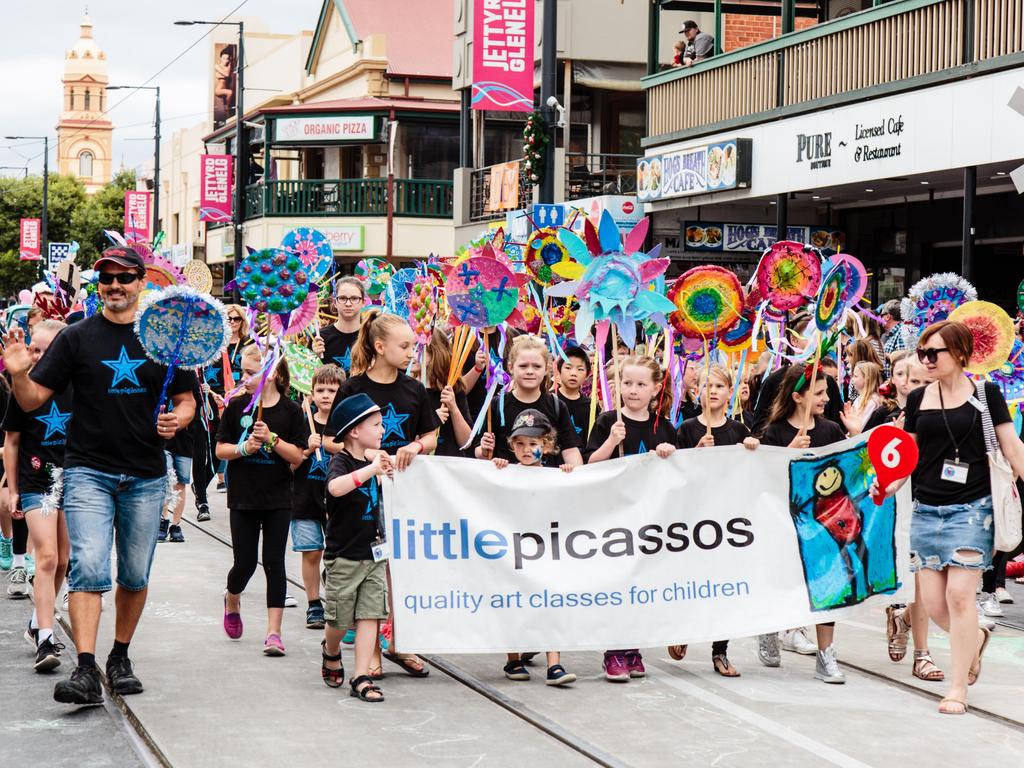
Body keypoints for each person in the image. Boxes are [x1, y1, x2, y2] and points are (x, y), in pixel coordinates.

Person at [3, 246, 197, 706]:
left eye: (124, 277)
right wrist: (17, 375)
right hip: (88, 472)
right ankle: (86, 668)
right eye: (106, 277)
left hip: (148, 474)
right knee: (88, 567)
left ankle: (120, 657)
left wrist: (179, 419)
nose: (115, 285)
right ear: (99, 284)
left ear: (140, 282)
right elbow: (32, 401)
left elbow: (187, 398)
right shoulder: (75, 338)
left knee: (133, 573)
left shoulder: (163, 337)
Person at [879, 320, 1024, 714]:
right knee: (933, 603)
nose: (925, 360)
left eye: (933, 353)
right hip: (926, 508)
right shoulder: (918, 400)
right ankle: (974, 638)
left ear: (959, 354)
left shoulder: (986, 394)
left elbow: (1011, 447)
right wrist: (885, 487)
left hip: (972, 510)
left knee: (959, 596)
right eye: (922, 352)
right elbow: (905, 456)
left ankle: (957, 687)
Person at [332, 309, 437, 677]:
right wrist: (368, 457)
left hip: (406, 491)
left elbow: (431, 434)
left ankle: (401, 643)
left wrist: (417, 448)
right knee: (370, 571)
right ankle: (371, 649)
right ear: (380, 346)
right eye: (404, 345)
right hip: (364, 496)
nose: (411, 352)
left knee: (401, 570)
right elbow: (333, 440)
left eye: (412, 345)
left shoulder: (414, 389)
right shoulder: (353, 388)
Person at [584, 356, 675, 681]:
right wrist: (611, 441)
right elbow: (590, 464)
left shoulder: (663, 426)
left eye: (640, 384)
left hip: (649, 519)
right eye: (627, 383)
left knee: (641, 584)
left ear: (655, 389)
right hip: (614, 516)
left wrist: (668, 454)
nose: (632, 390)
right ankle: (613, 651)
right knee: (617, 583)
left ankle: (632, 647)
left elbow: (677, 475)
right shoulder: (609, 419)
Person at [757, 364, 847, 683]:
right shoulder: (775, 432)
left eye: (826, 392)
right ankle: (768, 627)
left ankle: (826, 655)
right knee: (783, 582)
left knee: (829, 587)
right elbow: (764, 478)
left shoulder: (832, 430)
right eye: (819, 393)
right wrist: (788, 452)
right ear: (798, 397)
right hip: (785, 521)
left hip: (824, 522)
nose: (826, 398)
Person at [215, 345, 306, 656]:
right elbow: (220, 450)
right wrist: (244, 450)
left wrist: (272, 440)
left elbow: (297, 456)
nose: (243, 378)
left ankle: (273, 632)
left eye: (251, 373)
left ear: (271, 374)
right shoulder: (237, 406)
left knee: (274, 563)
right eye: (242, 372)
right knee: (244, 563)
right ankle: (232, 596)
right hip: (243, 497)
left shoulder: (292, 411)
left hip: (278, 496)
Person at [671, 364, 760, 677]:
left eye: (719, 387)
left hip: (727, 520)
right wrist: (695, 452)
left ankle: (720, 651)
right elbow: (674, 475)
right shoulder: (687, 429)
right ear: (699, 391)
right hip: (695, 518)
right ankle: (682, 627)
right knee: (692, 579)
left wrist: (750, 448)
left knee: (723, 585)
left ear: (729, 392)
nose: (712, 392)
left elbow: (752, 472)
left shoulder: (737, 431)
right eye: (707, 385)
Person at [2, 319, 70, 671]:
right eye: (35, 349)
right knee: (45, 557)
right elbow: (11, 442)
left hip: (72, 479)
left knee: (62, 561)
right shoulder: (23, 389)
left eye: (48, 350)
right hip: (35, 481)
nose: (40, 355)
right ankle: (46, 636)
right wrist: (12, 490)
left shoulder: (78, 385)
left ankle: (35, 621)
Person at [493, 408, 577, 686]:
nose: (526, 449)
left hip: (545, 552)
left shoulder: (554, 475)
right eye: (520, 444)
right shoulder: (505, 472)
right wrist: (493, 470)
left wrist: (567, 475)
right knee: (512, 603)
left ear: (547, 446)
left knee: (551, 602)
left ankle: (555, 664)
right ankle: (513, 659)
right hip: (513, 552)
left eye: (533, 444)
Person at [320, 393, 394, 702]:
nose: (382, 430)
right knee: (339, 620)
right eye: (375, 425)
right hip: (344, 556)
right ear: (354, 431)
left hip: (373, 552)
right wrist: (372, 470)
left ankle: (361, 675)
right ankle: (331, 648)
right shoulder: (342, 461)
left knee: (370, 615)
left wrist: (387, 472)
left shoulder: (375, 459)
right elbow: (335, 489)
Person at [477, 336, 583, 468]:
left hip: (545, 484)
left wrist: (579, 477)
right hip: (507, 483)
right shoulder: (497, 404)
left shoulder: (557, 405)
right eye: (523, 366)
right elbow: (479, 453)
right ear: (510, 367)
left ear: (546, 369)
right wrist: (483, 450)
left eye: (537, 366)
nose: (530, 371)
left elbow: (570, 450)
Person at [291, 364, 343, 630]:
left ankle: (337, 600)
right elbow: (290, 465)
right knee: (311, 552)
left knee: (337, 557)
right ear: (310, 393)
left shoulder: (345, 425)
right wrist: (308, 449)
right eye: (320, 390)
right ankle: (313, 603)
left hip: (338, 502)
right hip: (305, 498)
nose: (325, 395)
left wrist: (327, 443)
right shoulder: (302, 423)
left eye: (332, 390)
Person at [423, 330, 472, 457]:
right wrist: (432, 421)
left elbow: (466, 442)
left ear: (434, 352)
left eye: (418, 349)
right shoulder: (410, 389)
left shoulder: (452, 389)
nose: (411, 355)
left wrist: (454, 408)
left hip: (449, 465)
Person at [316, 276, 365, 375]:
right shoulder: (319, 338)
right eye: (342, 298)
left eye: (354, 298)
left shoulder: (371, 336)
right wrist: (314, 357)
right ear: (335, 302)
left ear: (363, 302)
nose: (348, 303)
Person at [556, 345, 599, 443]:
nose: (574, 373)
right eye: (568, 367)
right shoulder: (550, 400)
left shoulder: (591, 406)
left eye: (580, 369)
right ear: (559, 370)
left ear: (587, 374)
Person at [840, 361, 884, 436]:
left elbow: (862, 426)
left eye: (856, 376)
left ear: (867, 378)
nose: (852, 379)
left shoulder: (871, 402)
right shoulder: (860, 399)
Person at [880, 300, 907, 364]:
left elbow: (902, 360)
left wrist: (882, 354)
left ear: (887, 317)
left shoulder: (901, 332)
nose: (880, 318)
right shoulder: (893, 334)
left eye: (881, 316)